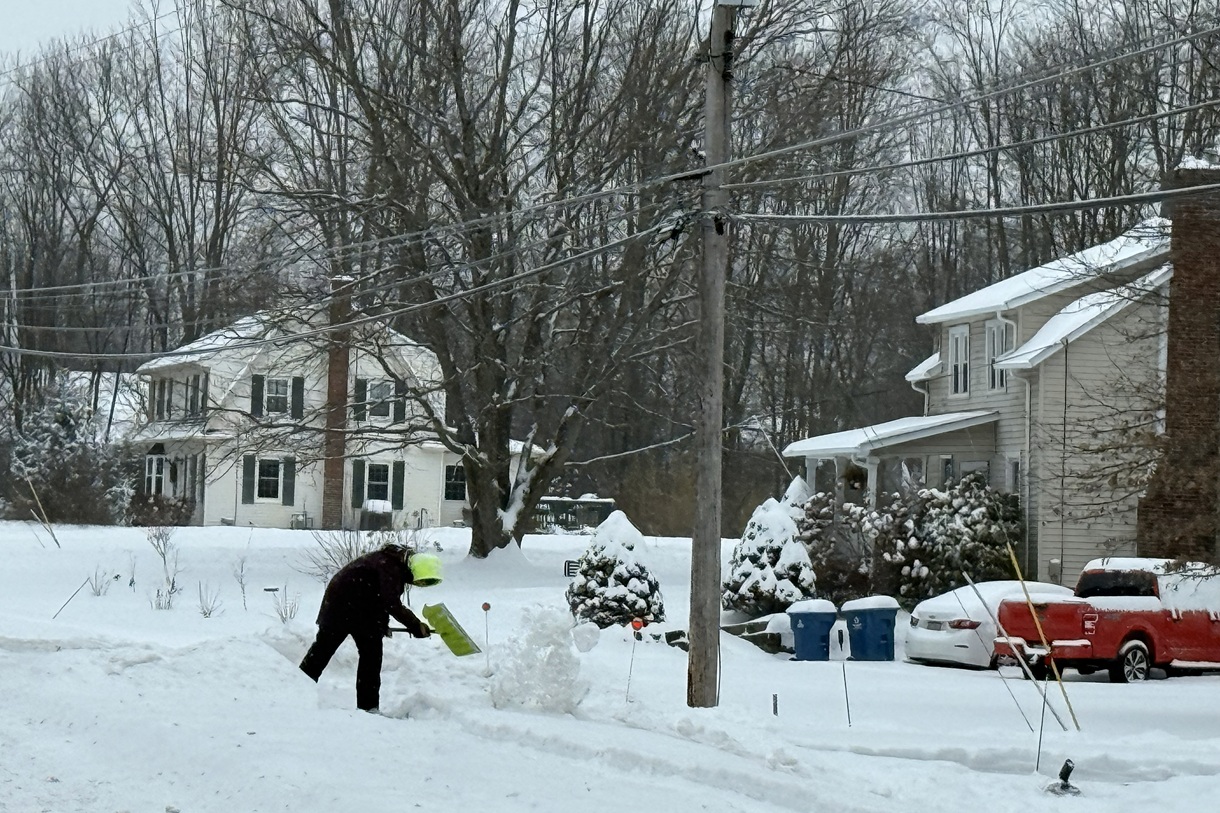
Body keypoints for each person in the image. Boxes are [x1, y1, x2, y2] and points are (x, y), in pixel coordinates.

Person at [299, 544, 443, 712]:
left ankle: (367, 707)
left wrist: (381, 624)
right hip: (342, 608)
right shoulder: (389, 567)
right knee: (332, 653)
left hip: (355, 609)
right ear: (413, 570)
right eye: (418, 580)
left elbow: (377, 597)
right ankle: (297, 691)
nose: (416, 583)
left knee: (358, 656)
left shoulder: (389, 562)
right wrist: (415, 625)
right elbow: (391, 603)